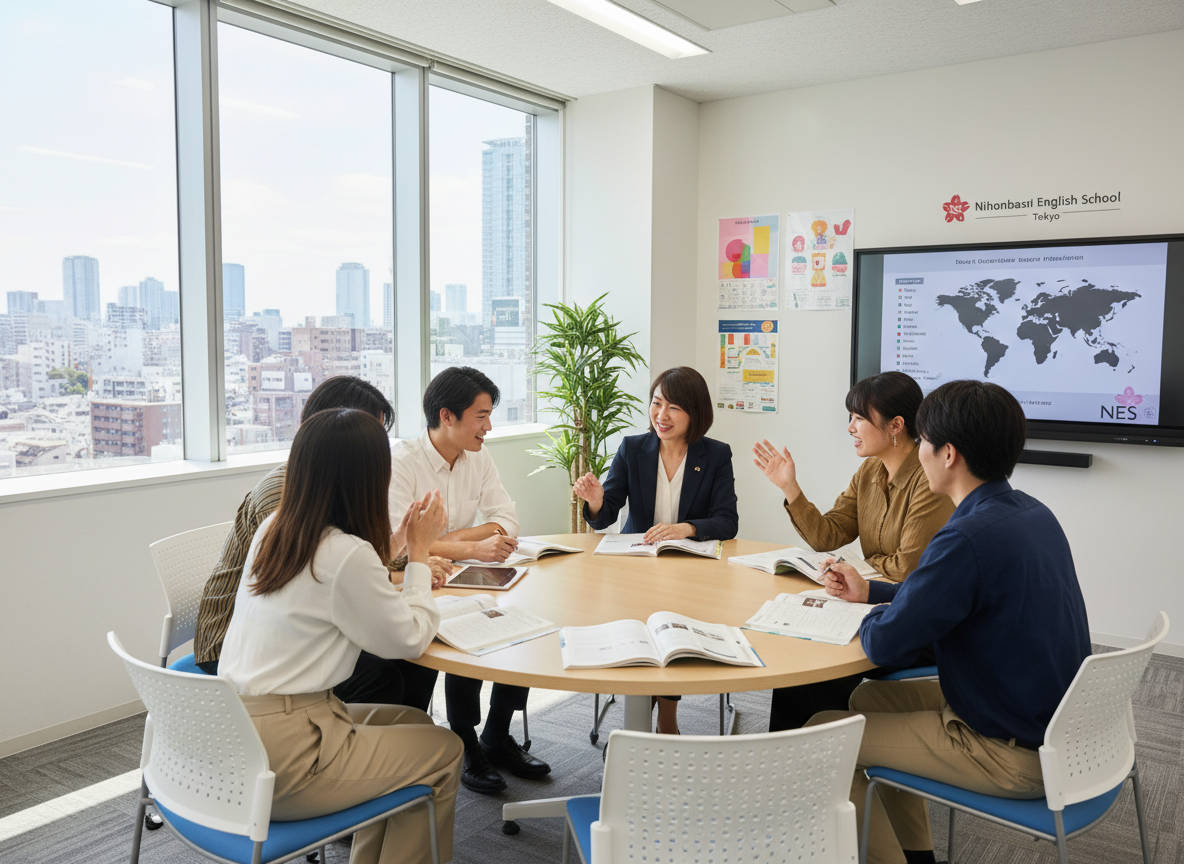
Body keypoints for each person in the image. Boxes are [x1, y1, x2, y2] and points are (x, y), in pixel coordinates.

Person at [806, 380, 1091, 864]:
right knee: (870, 696)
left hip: (1009, 750)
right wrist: (872, 590)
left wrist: (871, 613)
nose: (918, 454)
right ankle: (918, 855)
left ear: (949, 454)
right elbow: (951, 594)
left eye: (924, 442)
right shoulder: (1031, 513)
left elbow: (886, 645)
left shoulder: (965, 537)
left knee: (822, 735)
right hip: (1053, 724)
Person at [219, 408, 463, 864]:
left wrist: (401, 542)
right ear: (368, 477)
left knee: (413, 724)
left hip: (235, 733)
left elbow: (343, 575)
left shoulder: (277, 529)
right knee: (445, 751)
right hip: (289, 756)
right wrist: (420, 552)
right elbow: (408, 639)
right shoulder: (343, 554)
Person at [193, 375, 450, 706]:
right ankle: (363, 747)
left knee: (404, 660)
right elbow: (337, 572)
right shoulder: (281, 497)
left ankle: (398, 736)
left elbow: (337, 569)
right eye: (364, 438)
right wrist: (416, 556)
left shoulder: (314, 496)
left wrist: (400, 544)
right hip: (245, 649)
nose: (370, 451)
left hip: (280, 635)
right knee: (388, 668)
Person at [751, 371, 955, 730]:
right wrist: (791, 489)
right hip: (865, 604)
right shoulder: (869, 471)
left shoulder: (929, 480)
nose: (850, 427)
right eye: (851, 417)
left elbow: (907, 569)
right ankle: (788, 762)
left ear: (896, 425)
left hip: (907, 619)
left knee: (814, 670)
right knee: (802, 661)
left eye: (860, 418)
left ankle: (811, 756)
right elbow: (827, 536)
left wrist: (857, 569)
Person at [388, 365, 550, 794]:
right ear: (447, 416)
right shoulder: (403, 464)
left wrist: (444, 539)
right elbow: (399, 550)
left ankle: (497, 733)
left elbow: (506, 521)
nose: (489, 427)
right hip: (421, 583)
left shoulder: (479, 456)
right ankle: (464, 738)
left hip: (467, 576)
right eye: (481, 416)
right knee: (464, 631)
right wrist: (470, 546)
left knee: (522, 621)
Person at [573, 366, 738, 734]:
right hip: (637, 567)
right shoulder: (633, 449)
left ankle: (666, 714)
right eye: (656, 403)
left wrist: (686, 528)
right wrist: (598, 501)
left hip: (688, 572)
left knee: (672, 629)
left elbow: (728, 520)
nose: (661, 415)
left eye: (674, 407)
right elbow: (604, 518)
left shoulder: (716, 455)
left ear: (695, 413)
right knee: (642, 629)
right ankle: (639, 721)